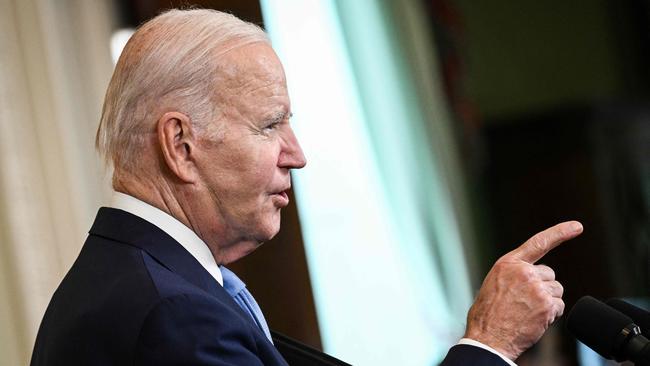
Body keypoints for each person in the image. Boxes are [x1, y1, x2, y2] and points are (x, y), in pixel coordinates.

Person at [30, 8, 583, 366]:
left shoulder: (146, 281)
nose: (297, 155)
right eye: (270, 126)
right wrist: (490, 344)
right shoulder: (173, 315)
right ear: (181, 145)